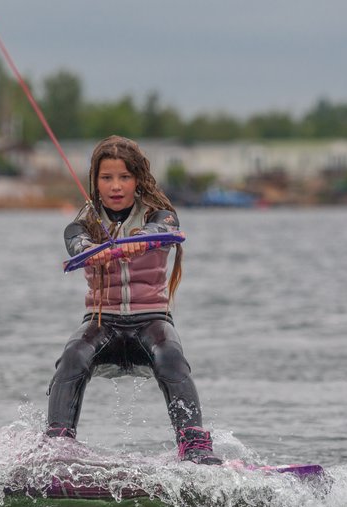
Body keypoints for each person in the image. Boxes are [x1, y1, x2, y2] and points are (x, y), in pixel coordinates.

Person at [46, 135, 221, 465]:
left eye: (124, 177)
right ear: (95, 181)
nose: (115, 186)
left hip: (150, 323)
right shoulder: (82, 224)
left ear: (138, 179)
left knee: (171, 354)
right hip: (103, 324)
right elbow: (75, 243)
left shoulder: (161, 215)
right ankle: (57, 447)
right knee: (73, 354)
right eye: (106, 177)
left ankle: (195, 445)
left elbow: (167, 229)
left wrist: (141, 241)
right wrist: (90, 250)